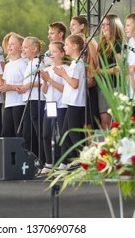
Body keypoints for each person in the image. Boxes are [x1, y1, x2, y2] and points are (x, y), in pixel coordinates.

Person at [54, 34, 86, 170]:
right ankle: (66, 162)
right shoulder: (75, 63)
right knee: (65, 133)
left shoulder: (77, 64)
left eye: (66, 45)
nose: (65, 47)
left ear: (74, 46)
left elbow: (74, 84)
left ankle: (83, 158)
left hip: (75, 103)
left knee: (72, 133)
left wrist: (63, 74)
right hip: (71, 103)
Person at [40, 41, 69, 174]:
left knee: (62, 133)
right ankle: (49, 162)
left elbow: (65, 89)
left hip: (61, 104)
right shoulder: (48, 69)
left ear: (62, 54)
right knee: (46, 133)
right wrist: (45, 81)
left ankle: (64, 161)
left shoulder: (65, 69)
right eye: (50, 51)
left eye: (54, 51)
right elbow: (45, 91)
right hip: (50, 104)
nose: (51, 54)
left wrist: (50, 80)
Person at [18, 36, 46, 165]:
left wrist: (29, 85)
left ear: (34, 49)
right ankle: (32, 157)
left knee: (37, 129)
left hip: (36, 99)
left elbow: (42, 80)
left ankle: (42, 158)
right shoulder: (30, 63)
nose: (23, 50)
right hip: (29, 99)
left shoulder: (37, 62)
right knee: (28, 130)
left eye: (25, 47)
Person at [70, 16, 99, 129]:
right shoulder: (71, 43)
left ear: (82, 26)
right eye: (70, 25)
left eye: (73, 24)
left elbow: (94, 61)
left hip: (87, 82)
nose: (70, 27)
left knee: (89, 120)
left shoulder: (89, 42)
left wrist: (91, 76)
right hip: (76, 85)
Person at [96, 14, 125, 129]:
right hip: (103, 87)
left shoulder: (117, 44)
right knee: (104, 122)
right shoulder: (101, 44)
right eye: (103, 24)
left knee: (116, 122)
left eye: (108, 24)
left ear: (115, 26)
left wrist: (101, 71)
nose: (104, 27)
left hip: (115, 86)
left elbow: (120, 68)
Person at [0, 33, 27, 137]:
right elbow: (6, 84)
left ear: (20, 47)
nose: (9, 46)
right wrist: (2, 87)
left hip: (19, 103)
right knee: (6, 133)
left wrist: (10, 87)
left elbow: (26, 85)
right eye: (8, 44)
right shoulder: (8, 65)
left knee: (18, 132)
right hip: (9, 103)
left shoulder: (23, 63)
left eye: (12, 44)